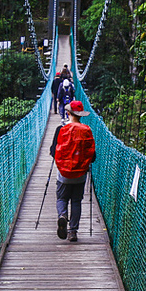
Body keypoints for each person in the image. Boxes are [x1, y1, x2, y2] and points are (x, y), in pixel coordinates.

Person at [49, 100, 95, 243]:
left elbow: (53, 151)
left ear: (68, 113)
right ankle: (73, 232)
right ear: (81, 115)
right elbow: (93, 156)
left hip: (64, 174)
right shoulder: (86, 130)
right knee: (76, 201)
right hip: (80, 174)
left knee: (62, 198)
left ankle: (62, 216)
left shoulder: (60, 129)